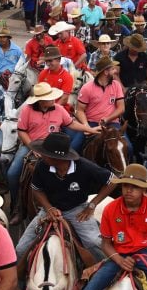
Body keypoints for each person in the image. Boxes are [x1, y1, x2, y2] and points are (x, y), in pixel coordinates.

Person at [7, 83, 99, 225]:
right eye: (49, 98)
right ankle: (18, 207)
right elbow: (21, 131)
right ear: (40, 100)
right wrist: (33, 147)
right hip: (32, 144)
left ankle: (76, 200)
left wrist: (90, 129)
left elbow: (71, 124)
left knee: (75, 164)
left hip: (55, 146)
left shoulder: (59, 109)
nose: (53, 100)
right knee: (13, 173)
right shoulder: (27, 110)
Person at [15, 133, 116, 261]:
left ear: (57, 157)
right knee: (20, 249)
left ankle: (104, 275)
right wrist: (49, 208)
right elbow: (37, 189)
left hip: (76, 209)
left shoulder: (84, 166)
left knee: (94, 243)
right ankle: (20, 281)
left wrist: (92, 204)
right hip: (47, 210)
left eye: (46, 153)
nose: (42, 155)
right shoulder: (42, 166)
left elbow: (112, 180)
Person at [81, 164, 147, 290]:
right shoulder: (110, 209)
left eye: (135, 187)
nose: (129, 190)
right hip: (119, 254)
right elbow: (105, 243)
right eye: (126, 186)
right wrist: (120, 260)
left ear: (143, 190)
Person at [70, 57, 129, 154]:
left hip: (112, 123)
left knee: (129, 148)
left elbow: (121, 108)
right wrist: (86, 126)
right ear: (106, 72)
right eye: (112, 69)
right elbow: (79, 110)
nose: (115, 71)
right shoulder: (87, 88)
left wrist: (107, 119)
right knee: (73, 148)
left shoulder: (116, 85)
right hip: (91, 123)